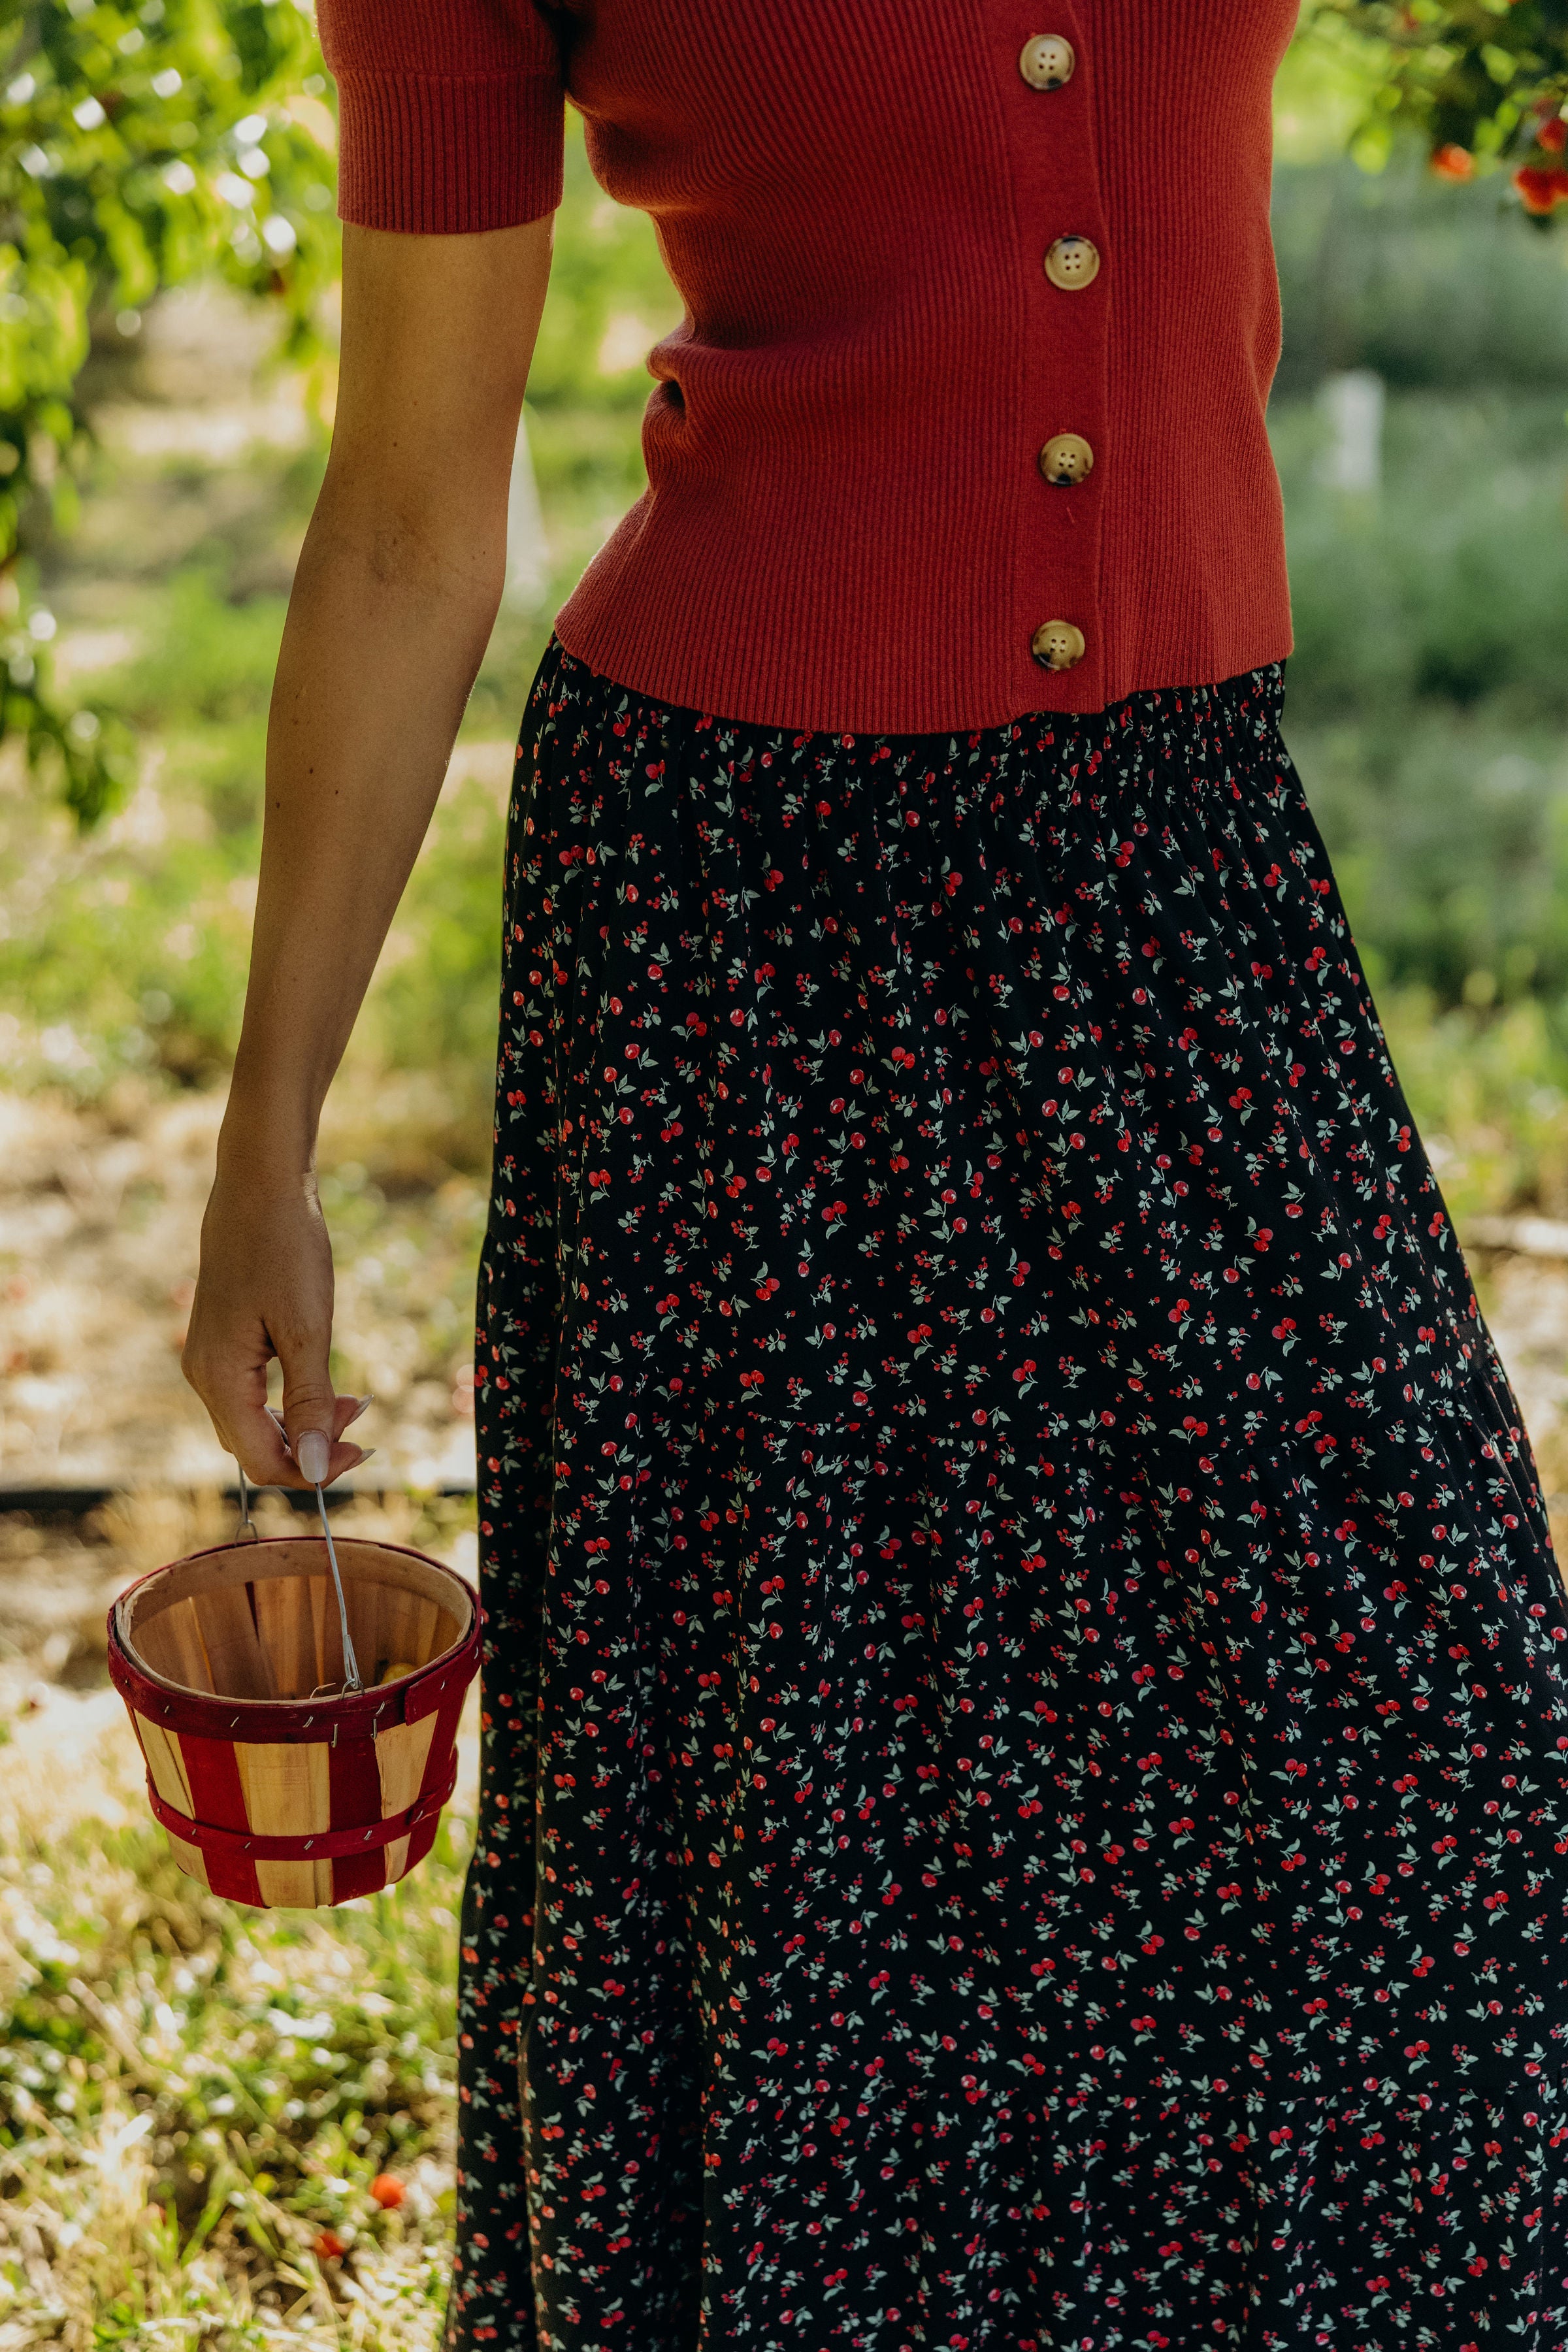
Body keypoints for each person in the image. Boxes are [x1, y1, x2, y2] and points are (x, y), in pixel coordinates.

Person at [182, 5, 1568, 2345]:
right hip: (749, 935)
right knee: (829, 1850)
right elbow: (417, 515)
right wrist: (265, 1139)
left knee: (1424, 1746)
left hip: (1176, 854)